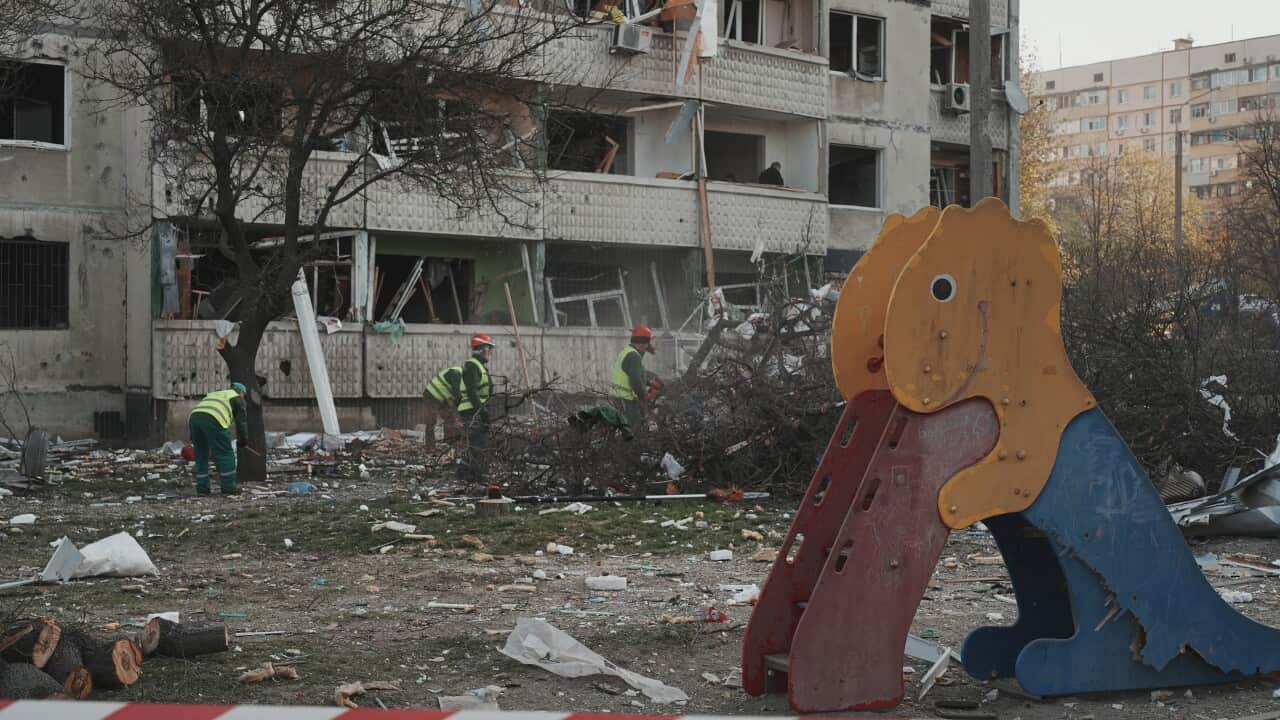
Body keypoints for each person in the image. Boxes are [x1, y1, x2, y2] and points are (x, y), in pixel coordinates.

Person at [188, 382, 249, 496]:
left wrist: (194, 439)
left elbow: (202, 412)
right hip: (215, 418)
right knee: (225, 453)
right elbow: (241, 423)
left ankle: (202, 489)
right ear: (241, 393)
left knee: (201, 454)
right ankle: (228, 487)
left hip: (194, 418)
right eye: (244, 395)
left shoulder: (217, 394)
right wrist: (243, 440)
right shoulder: (237, 398)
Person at [457, 333, 495, 481]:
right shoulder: (473, 365)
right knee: (479, 443)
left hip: (475, 410)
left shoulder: (478, 366)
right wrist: (482, 411)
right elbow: (472, 391)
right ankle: (477, 476)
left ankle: (465, 473)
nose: (490, 353)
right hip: (472, 411)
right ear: (483, 349)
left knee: (476, 443)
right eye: (489, 349)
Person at [609, 324, 657, 431]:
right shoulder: (634, 356)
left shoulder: (627, 351)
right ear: (644, 343)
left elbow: (632, 373)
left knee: (624, 431)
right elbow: (635, 381)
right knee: (633, 432)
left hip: (619, 398)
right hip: (626, 401)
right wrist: (645, 396)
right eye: (648, 342)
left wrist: (648, 382)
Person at [423, 364, 464, 443]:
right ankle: (430, 446)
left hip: (444, 398)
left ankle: (448, 443)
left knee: (450, 418)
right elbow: (457, 395)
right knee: (431, 421)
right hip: (431, 395)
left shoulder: (463, 378)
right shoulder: (456, 373)